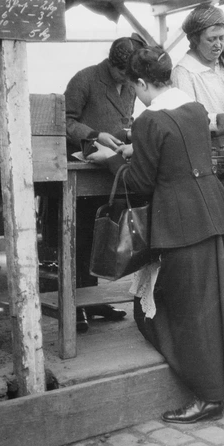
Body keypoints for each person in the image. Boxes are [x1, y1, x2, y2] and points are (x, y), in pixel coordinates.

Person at [89, 46, 224, 423]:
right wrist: (134, 148)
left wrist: (109, 159)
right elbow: (177, 151)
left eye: (135, 88)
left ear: (143, 83)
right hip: (210, 213)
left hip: (179, 223)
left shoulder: (148, 122)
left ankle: (207, 398)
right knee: (213, 308)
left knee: (185, 313)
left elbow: (141, 182)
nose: (135, 96)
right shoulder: (192, 109)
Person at [54, 35, 146, 331]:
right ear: (112, 65)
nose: (129, 81)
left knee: (103, 236)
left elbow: (125, 118)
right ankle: (78, 305)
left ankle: (93, 301)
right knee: (80, 236)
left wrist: (130, 134)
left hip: (113, 169)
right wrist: (94, 134)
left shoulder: (130, 82)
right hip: (84, 169)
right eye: (124, 74)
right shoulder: (85, 79)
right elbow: (63, 121)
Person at [171, 3, 224, 155]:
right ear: (195, 40)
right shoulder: (183, 72)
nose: (218, 44)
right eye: (211, 39)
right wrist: (217, 121)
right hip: (205, 154)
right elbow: (186, 120)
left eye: (222, 38)